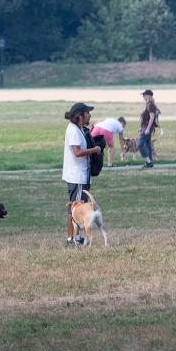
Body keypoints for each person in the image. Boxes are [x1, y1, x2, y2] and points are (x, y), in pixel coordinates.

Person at [63, 102, 102, 245]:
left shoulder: (78, 128)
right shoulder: (73, 130)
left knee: (80, 207)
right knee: (75, 208)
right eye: (87, 113)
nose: (90, 115)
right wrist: (95, 150)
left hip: (81, 175)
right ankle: (72, 239)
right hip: (77, 176)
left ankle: (75, 237)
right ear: (80, 116)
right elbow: (77, 152)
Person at [138, 90, 159, 169]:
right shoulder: (148, 105)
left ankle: (148, 162)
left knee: (140, 144)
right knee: (147, 145)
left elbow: (152, 117)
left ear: (149, 96)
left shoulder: (151, 105)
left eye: (144, 95)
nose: (143, 97)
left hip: (147, 128)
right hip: (145, 127)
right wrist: (141, 128)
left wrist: (147, 128)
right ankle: (150, 163)